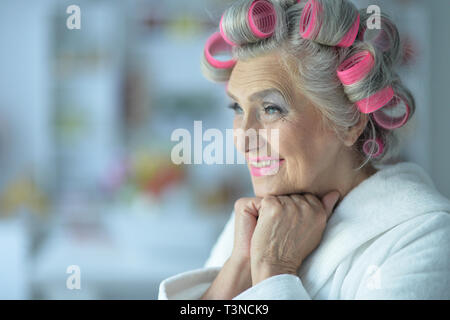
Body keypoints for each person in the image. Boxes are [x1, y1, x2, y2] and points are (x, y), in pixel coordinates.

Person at [159, 0, 450, 299]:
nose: (243, 139)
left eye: (271, 108)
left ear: (350, 122)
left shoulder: (424, 235)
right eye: (237, 107)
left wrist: (275, 270)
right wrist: (239, 268)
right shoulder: (259, 217)